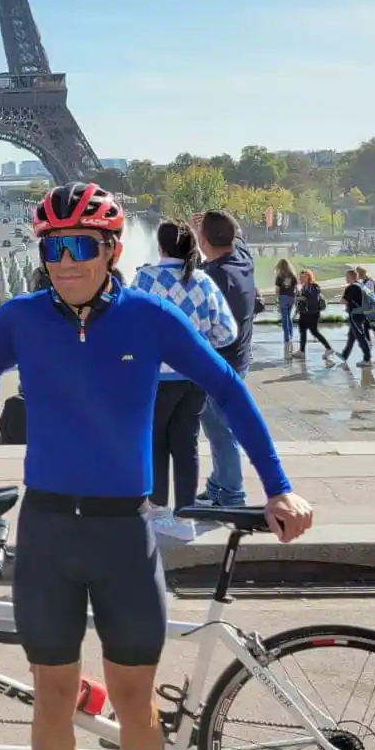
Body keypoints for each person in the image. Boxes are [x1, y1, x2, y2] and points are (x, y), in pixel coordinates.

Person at [0, 183, 312, 750]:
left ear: (113, 249)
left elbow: (228, 387)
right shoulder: (18, 317)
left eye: (80, 245)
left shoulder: (150, 314)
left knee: (137, 706)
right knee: (51, 699)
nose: (64, 260)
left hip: (123, 531)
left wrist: (279, 486)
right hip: (48, 531)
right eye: (51, 248)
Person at [134, 220, 238, 542]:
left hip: (159, 377)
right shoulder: (203, 280)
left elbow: (130, 324)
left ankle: (160, 510)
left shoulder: (145, 277)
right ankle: (186, 516)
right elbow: (227, 331)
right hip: (195, 377)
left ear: (161, 246)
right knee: (186, 444)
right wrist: (200, 345)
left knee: (156, 442)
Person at [196, 211, 259, 509]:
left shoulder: (213, 278)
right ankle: (219, 485)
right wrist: (225, 220)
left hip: (221, 366)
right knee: (219, 428)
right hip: (239, 358)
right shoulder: (243, 260)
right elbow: (240, 237)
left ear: (203, 240)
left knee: (221, 431)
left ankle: (232, 493)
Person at [295, 269, 335, 362]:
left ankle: (329, 348)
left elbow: (313, 298)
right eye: (301, 277)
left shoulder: (314, 287)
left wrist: (302, 297)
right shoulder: (303, 287)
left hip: (312, 313)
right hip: (303, 313)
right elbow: (300, 300)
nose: (302, 279)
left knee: (314, 332)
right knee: (302, 332)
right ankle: (302, 351)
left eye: (304, 277)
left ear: (309, 277)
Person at [339, 270, 373, 367]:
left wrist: (342, 300)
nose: (345, 278)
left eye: (346, 276)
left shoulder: (351, 287)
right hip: (362, 314)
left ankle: (367, 359)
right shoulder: (361, 285)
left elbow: (343, 301)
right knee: (351, 336)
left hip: (355, 316)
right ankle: (344, 355)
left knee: (360, 337)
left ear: (350, 277)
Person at [354, 267, 375, 359]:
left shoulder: (368, 282)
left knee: (365, 324)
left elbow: (369, 293)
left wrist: (360, 285)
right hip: (368, 307)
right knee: (366, 324)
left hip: (372, 307)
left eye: (358, 275)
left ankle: (370, 342)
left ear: (361, 275)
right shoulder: (365, 282)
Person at [274, 258, 298, 359]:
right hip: (291, 298)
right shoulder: (293, 276)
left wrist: (277, 298)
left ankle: (287, 340)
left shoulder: (279, 277)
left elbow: (277, 290)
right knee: (289, 318)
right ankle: (291, 338)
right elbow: (296, 289)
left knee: (285, 319)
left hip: (283, 297)